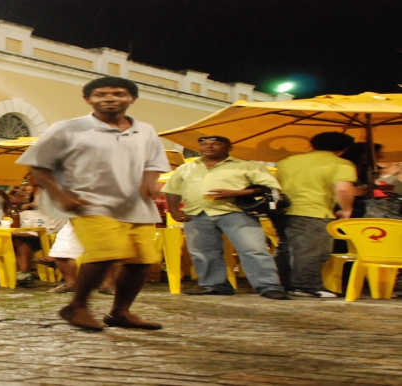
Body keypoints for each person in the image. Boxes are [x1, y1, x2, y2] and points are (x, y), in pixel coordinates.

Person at [18, 76, 169, 332]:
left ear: (132, 99)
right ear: (88, 99)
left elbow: (154, 164)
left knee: (141, 262)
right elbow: (38, 166)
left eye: (118, 93)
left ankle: (120, 312)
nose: (109, 98)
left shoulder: (146, 131)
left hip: (136, 205)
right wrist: (62, 195)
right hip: (88, 202)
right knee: (105, 253)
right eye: (100, 94)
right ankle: (77, 306)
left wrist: (149, 183)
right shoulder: (66, 128)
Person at [162, 136, 289, 300]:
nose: (209, 147)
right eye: (204, 144)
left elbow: (270, 188)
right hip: (197, 213)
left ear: (229, 147)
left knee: (253, 250)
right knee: (203, 252)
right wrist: (174, 210)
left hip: (236, 212)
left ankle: (268, 286)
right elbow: (172, 190)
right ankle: (214, 285)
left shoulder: (247, 166)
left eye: (216, 144)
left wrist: (236, 193)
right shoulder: (186, 168)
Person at [273, 132, 356, 298]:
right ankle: (306, 286)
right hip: (314, 211)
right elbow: (343, 189)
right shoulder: (341, 164)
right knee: (314, 251)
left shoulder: (287, 162)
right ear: (343, 149)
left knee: (286, 249)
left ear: (312, 144)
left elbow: (275, 185)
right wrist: (346, 209)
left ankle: (285, 283)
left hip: (283, 211)